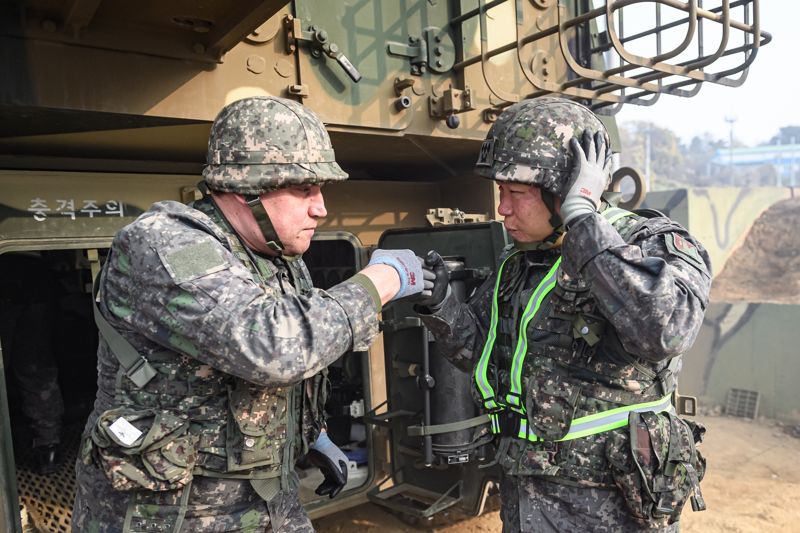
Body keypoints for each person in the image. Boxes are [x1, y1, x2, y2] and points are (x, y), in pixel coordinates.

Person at [72, 95, 424, 532]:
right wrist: (380, 281)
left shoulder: (274, 253)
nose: (321, 207)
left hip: (266, 499)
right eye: (304, 189)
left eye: (321, 190)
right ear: (247, 189)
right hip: (171, 513)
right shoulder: (165, 245)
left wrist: (308, 434)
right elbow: (273, 347)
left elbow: (278, 366)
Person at [415, 97, 711, 532]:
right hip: (528, 498)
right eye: (500, 192)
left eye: (516, 193)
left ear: (568, 190)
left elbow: (666, 330)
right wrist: (441, 307)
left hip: (611, 505)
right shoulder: (519, 262)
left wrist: (583, 222)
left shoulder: (650, 242)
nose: (503, 209)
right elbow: (483, 356)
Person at [0, 252, 65, 474]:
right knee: (36, 371)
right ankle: (48, 450)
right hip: (35, 283)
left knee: (33, 369)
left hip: (18, 288)